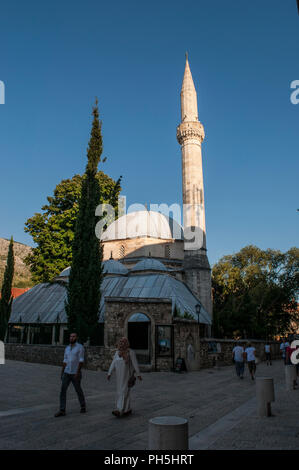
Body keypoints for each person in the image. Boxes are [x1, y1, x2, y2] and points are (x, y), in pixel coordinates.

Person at [107, 337, 142, 417]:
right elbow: (113, 363)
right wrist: (109, 373)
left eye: (124, 341)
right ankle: (127, 409)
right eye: (121, 341)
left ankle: (119, 410)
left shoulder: (130, 352)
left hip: (127, 375)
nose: (122, 343)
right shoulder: (117, 353)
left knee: (124, 391)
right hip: (119, 375)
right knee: (122, 391)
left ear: (127, 343)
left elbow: (135, 363)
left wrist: (138, 374)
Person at [54, 332, 86, 417]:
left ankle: (83, 406)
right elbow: (65, 360)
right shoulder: (67, 348)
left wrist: (77, 372)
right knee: (63, 390)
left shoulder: (80, 347)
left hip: (75, 373)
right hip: (67, 372)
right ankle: (62, 409)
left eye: (73, 336)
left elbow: (81, 361)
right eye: (70, 336)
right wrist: (62, 371)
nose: (71, 338)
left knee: (78, 390)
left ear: (76, 337)